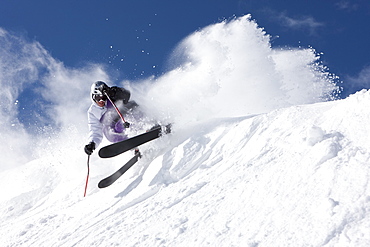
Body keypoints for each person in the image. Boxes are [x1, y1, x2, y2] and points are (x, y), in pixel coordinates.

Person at [84, 81, 139, 155]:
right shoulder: (93, 112)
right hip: (117, 125)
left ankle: (147, 127)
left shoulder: (111, 96)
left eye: (103, 97)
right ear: (93, 96)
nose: (101, 101)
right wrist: (92, 143)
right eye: (98, 98)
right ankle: (133, 146)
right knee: (109, 133)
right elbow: (95, 130)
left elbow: (127, 95)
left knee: (121, 123)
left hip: (129, 114)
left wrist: (112, 92)